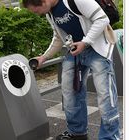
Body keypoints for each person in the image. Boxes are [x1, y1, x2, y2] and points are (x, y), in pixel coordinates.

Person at [22, 0, 121, 139]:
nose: (37, 14)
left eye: (36, 10)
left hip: (97, 50)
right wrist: (43, 57)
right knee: (70, 92)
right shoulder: (50, 13)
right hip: (75, 52)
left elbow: (102, 18)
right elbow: (58, 37)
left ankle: (110, 136)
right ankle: (77, 132)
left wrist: (85, 42)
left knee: (106, 96)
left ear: (43, 1)